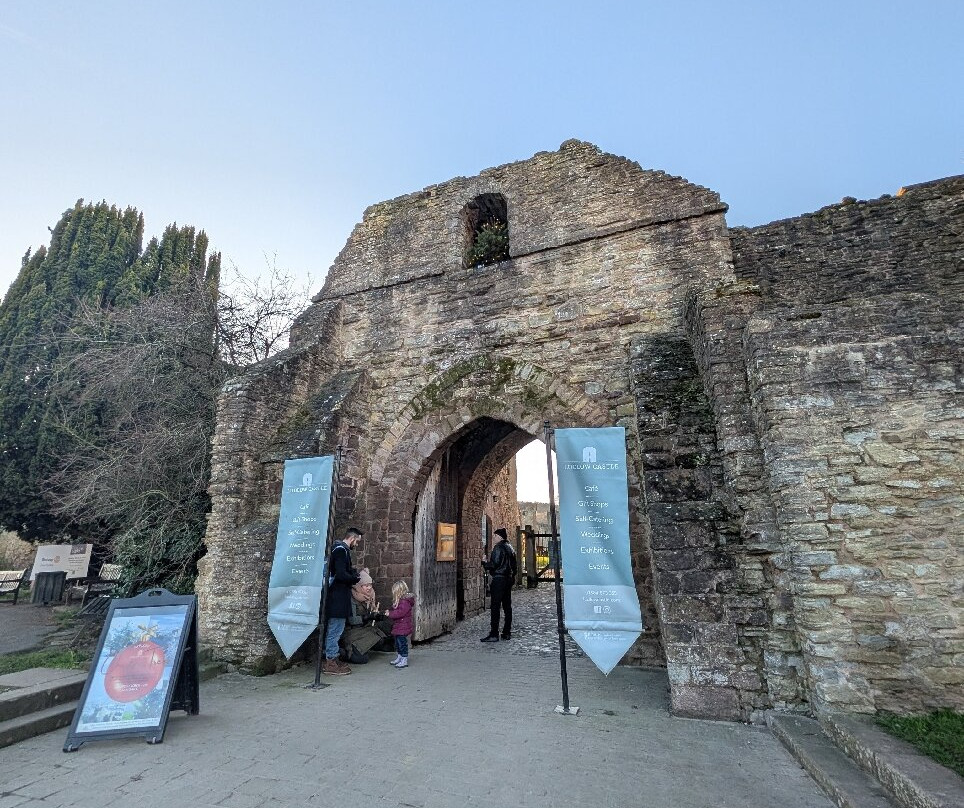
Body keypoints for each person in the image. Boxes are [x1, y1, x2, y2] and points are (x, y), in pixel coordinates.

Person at [323, 527, 363, 675]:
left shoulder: (340, 550)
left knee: (335, 628)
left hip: (337, 596)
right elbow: (340, 574)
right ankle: (330, 661)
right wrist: (354, 578)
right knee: (335, 629)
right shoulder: (341, 550)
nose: (357, 545)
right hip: (337, 597)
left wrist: (352, 573)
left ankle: (332, 658)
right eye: (357, 541)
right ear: (352, 539)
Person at [481, 527, 517, 642]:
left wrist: (484, 563)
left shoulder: (498, 548)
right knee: (507, 606)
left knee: (495, 606)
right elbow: (515, 567)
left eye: (495, 536)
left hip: (499, 579)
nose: (494, 538)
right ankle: (506, 632)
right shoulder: (510, 548)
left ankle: (494, 633)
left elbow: (494, 565)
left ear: (500, 537)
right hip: (508, 579)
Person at [384, 580, 415, 668]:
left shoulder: (405, 602)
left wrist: (390, 614)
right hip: (399, 626)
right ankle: (399, 656)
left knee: (402, 643)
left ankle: (404, 658)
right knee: (398, 643)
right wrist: (390, 611)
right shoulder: (400, 601)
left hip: (403, 627)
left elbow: (400, 613)